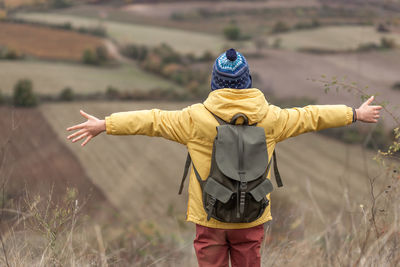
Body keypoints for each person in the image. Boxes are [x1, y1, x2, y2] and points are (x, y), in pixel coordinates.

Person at [66, 48, 382, 267]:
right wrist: (355, 113)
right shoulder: (271, 118)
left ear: (215, 82)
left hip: (209, 217)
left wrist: (105, 124)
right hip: (253, 216)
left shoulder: (194, 119)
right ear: (247, 81)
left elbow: (150, 120)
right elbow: (312, 116)